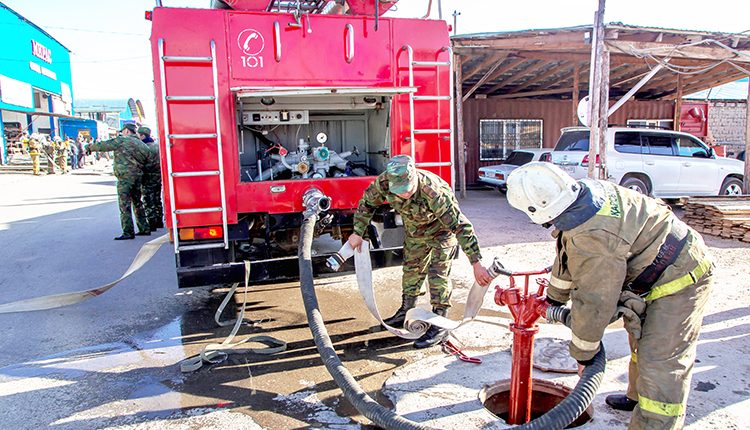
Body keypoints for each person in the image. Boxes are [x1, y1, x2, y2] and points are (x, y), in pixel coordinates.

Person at [506, 162, 713, 430]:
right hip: (653, 265)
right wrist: (554, 299)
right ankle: (637, 397)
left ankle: (654, 420)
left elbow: (594, 303)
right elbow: (568, 252)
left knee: (661, 361)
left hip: (679, 277)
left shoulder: (595, 237)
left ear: (537, 210)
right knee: (642, 342)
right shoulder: (584, 199)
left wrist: (584, 356)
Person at [348, 155, 492, 349]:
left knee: (437, 274)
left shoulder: (433, 192)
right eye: (399, 192)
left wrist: (477, 263)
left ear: (414, 177)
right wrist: (357, 232)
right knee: (411, 270)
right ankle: (406, 310)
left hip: (442, 230)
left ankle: (440, 326)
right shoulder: (383, 182)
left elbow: (461, 226)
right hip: (415, 231)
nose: (404, 195)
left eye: (407, 190)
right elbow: (367, 204)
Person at [86, 123, 152, 240]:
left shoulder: (122, 141)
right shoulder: (143, 145)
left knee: (124, 204)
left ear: (126, 131)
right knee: (137, 202)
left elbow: (104, 145)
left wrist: (89, 147)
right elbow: (148, 162)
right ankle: (144, 228)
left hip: (125, 177)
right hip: (138, 177)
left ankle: (128, 231)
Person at [137, 126, 164, 231]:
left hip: (148, 177)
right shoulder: (157, 146)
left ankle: (152, 223)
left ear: (143, 135)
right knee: (157, 199)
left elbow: (141, 163)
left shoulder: (144, 148)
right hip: (158, 177)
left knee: (148, 200)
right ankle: (159, 221)